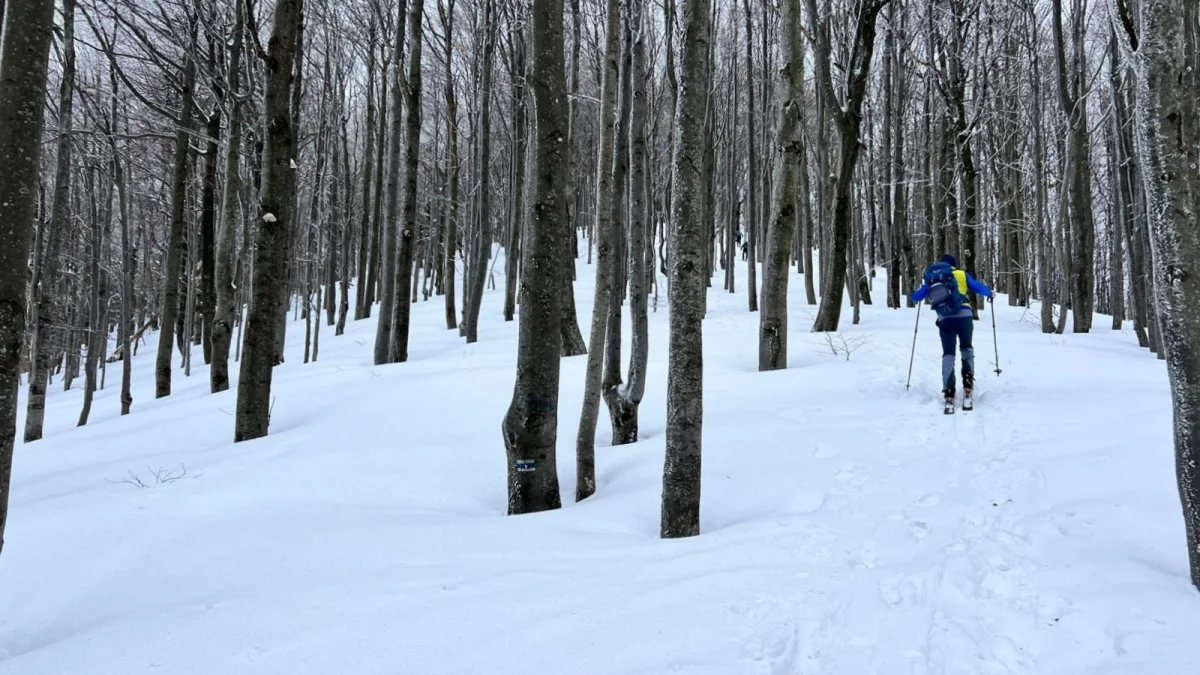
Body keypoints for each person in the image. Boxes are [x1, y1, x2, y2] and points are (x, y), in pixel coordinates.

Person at [911, 254, 994, 404]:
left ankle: (949, 391)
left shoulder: (933, 278)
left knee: (948, 354)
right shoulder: (961, 274)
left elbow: (916, 297)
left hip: (945, 319)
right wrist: (990, 293)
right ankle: (968, 385)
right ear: (954, 265)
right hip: (965, 317)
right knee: (966, 349)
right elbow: (977, 287)